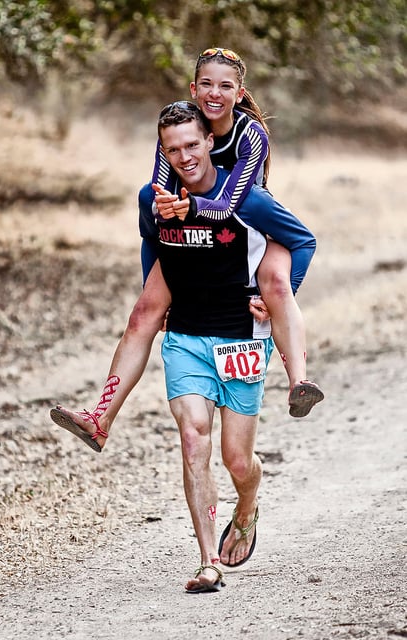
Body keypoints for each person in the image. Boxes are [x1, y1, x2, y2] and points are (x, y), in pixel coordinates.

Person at [50, 47, 323, 454]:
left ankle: (298, 382)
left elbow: (233, 203)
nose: (214, 94)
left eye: (225, 86)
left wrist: (191, 205)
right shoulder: (177, 130)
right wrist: (155, 292)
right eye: (207, 84)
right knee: (143, 312)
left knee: (276, 285)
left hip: (248, 219)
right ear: (194, 88)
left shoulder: (250, 135)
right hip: (193, 225)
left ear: (239, 91)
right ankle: (99, 418)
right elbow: (157, 196)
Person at [139, 101, 314, 592]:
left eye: (193, 144)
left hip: (242, 338)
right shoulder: (158, 195)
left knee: (238, 461)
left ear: (211, 142)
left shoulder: (248, 199)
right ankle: (207, 560)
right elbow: (151, 241)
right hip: (187, 337)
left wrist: (280, 295)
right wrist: (153, 293)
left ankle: (249, 499)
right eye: (173, 148)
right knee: (193, 437)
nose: (184, 156)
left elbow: (303, 241)